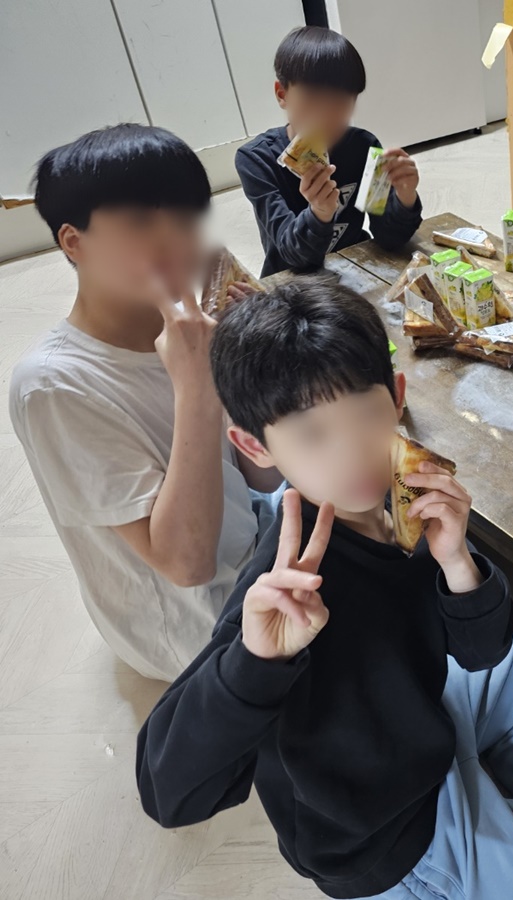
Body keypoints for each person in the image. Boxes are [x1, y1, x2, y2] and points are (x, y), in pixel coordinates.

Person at [135, 279, 513, 900]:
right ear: (255, 445)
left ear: (396, 397)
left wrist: (457, 565)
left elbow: (481, 651)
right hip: (397, 842)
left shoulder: (406, 498)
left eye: (366, 414)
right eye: (311, 435)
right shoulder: (286, 588)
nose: (352, 453)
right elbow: (166, 792)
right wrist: (254, 664)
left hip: (430, 725)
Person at [8, 123, 280, 681]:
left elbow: (262, 476)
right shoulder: (54, 386)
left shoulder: (187, 327)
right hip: (198, 627)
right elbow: (187, 564)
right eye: (139, 220)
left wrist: (246, 363)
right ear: (73, 242)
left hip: (250, 547)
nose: (174, 239)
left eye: (184, 217)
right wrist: (198, 383)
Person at [236, 26, 423, 277]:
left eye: (341, 101)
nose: (326, 115)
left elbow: (389, 238)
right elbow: (291, 255)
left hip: (355, 266)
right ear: (282, 94)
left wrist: (405, 196)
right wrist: (319, 213)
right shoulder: (257, 160)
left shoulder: (366, 146)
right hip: (293, 281)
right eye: (312, 97)